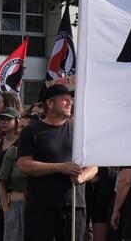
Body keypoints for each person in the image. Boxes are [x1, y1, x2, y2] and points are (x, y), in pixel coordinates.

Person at [17, 84, 98, 241]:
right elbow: (24, 165)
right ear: (50, 103)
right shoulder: (32, 132)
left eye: (71, 100)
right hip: (41, 205)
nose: (70, 103)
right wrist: (61, 167)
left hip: (73, 205)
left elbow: (93, 165)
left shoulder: (79, 131)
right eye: (65, 100)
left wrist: (82, 177)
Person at [0, 107, 27, 241]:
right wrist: (6, 210)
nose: (3, 122)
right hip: (13, 205)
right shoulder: (5, 146)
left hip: (34, 206)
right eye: (1, 119)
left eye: (8, 119)